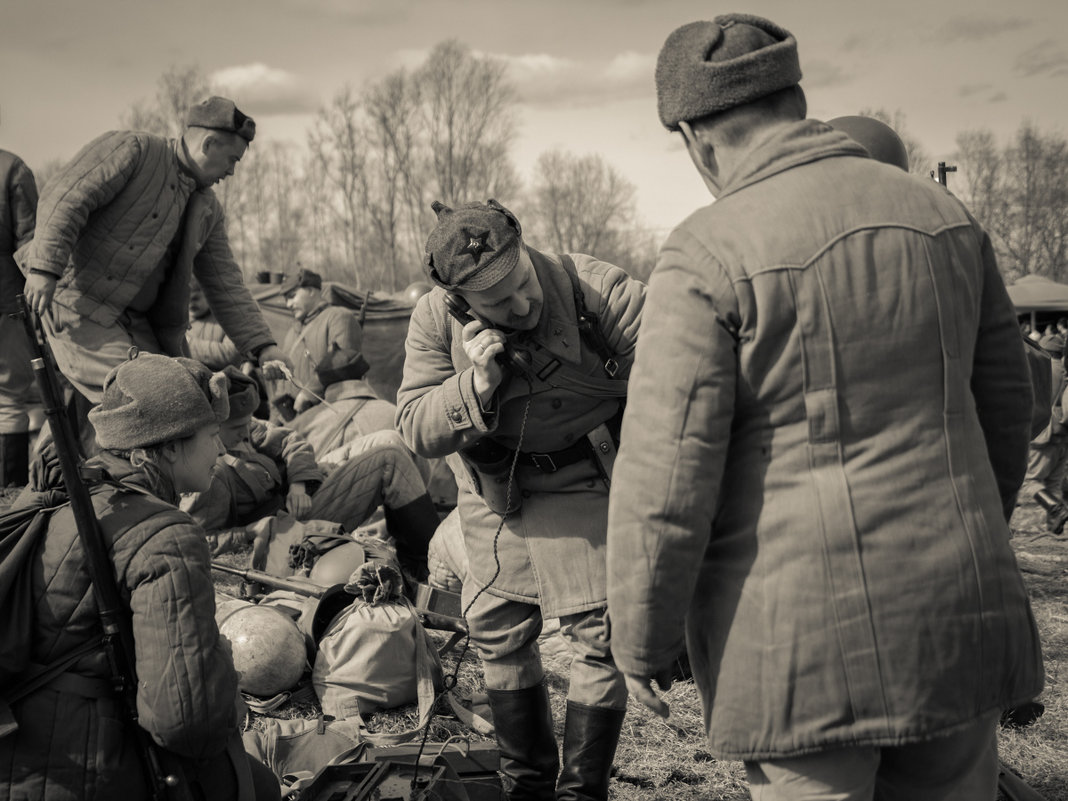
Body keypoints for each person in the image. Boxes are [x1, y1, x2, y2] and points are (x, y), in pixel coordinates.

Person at [606, 14, 1042, 801]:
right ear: (799, 99)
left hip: (799, 655)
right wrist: (966, 545)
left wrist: (640, 638)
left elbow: (667, 479)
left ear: (696, 140)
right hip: (958, 623)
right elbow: (1008, 415)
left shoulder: (707, 250)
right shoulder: (947, 220)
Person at [396, 199, 645, 801]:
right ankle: (526, 789)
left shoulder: (598, 290)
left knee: (600, 635)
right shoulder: (434, 321)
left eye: (524, 283)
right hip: (494, 489)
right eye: (498, 302)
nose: (523, 305)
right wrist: (474, 384)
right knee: (499, 632)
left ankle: (582, 793)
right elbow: (413, 425)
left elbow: (690, 363)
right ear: (462, 305)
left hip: (589, 477)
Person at [0, 353, 279, 800]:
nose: (223, 450)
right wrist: (222, 671)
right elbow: (187, 721)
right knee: (254, 786)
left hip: (20, 748)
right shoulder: (166, 535)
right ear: (168, 445)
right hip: (86, 769)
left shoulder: (59, 494)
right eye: (212, 436)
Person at [15, 96, 289, 410]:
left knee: (190, 400)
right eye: (232, 160)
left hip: (137, 323)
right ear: (209, 143)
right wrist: (44, 269)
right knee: (152, 402)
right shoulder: (134, 150)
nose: (231, 172)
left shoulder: (207, 209)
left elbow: (226, 284)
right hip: (77, 305)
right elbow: (65, 197)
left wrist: (264, 347)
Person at [181, 366, 440, 581]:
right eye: (237, 426)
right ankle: (424, 569)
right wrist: (249, 531)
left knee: (389, 443)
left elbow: (291, 441)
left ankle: (416, 564)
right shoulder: (212, 475)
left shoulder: (244, 429)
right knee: (389, 462)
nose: (246, 431)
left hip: (301, 501)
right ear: (212, 425)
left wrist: (298, 483)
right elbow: (200, 542)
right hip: (288, 535)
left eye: (248, 422)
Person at [276, 268, 364, 416]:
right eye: (286, 300)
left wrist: (308, 395)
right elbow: (283, 377)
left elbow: (340, 362)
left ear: (311, 290)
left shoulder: (339, 318)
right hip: (295, 419)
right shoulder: (292, 332)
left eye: (292, 296)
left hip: (329, 414)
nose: (288, 304)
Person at [0, 147, 38, 487]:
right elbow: (30, 245)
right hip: (7, 302)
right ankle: (8, 502)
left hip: (7, 302)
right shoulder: (12, 169)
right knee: (9, 399)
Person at [1025, 333, 1068, 533]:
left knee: (1030, 481)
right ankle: (1055, 531)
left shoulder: (1041, 368)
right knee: (1054, 484)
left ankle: (1055, 508)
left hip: (1044, 433)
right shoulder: (1065, 370)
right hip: (1063, 433)